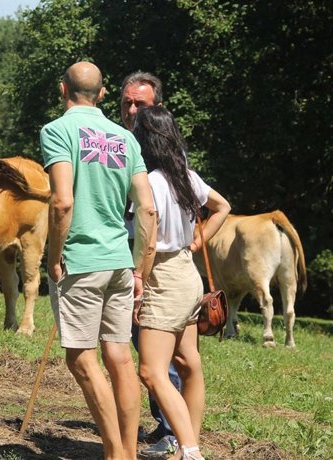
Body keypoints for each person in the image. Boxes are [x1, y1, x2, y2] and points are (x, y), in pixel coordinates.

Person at [42, 61, 157, 459]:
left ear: (63, 90)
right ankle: (128, 449)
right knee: (121, 356)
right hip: (120, 262)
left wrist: (53, 257)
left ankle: (115, 454)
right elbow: (146, 210)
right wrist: (140, 267)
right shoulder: (127, 139)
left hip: (81, 260)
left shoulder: (57, 131)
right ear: (105, 93)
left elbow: (62, 201)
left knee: (81, 359)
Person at [132, 106, 230, 460]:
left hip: (163, 276)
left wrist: (138, 278)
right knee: (189, 364)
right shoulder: (186, 176)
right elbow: (222, 207)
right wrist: (197, 242)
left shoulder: (151, 182)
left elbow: (148, 240)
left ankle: (190, 452)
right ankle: (188, 447)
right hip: (189, 275)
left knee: (151, 371)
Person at [121, 70, 183, 458]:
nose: (130, 110)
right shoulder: (120, 141)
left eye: (139, 104)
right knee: (146, 346)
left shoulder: (159, 151)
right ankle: (172, 425)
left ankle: (174, 431)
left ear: (156, 107)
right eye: (126, 102)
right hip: (129, 253)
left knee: (157, 354)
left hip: (156, 260)